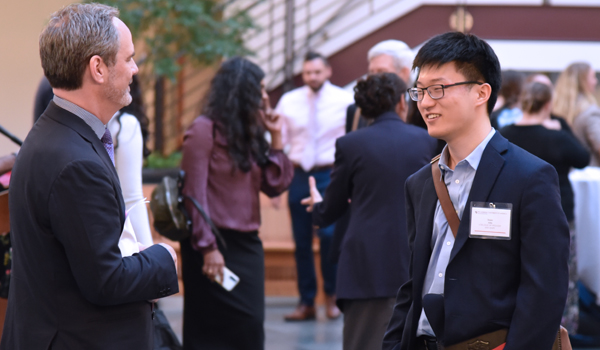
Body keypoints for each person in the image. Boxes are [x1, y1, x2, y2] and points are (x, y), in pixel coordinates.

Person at [2, 4, 179, 349]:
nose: (135, 69)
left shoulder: (56, 134)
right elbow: (106, 280)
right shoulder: (75, 161)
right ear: (98, 68)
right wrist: (162, 257)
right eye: (128, 58)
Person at [383, 32, 570, 350]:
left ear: (481, 92)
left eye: (438, 89)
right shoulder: (421, 182)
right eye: (420, 91)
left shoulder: (530, 177)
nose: (426, 102)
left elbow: (545, 290)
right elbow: (413, 283)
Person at [302, 73, 436, 350]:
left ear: (363, 108)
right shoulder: (426, 141)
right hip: (416, 256)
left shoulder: (350, 144)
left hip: (365, 259)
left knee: (362, 340)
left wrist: (317, 205)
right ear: (402, 102)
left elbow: (331, 208)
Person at [179, 57, 293, 349]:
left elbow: (275, 184)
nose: (265, 97)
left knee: (250, 327)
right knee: (207, 329)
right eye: (260, 89)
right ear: (242, 91)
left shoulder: (247, 133)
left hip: (246, 247)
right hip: (211, 244)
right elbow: (194, 195)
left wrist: (276, 136)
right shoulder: (204, 131)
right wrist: (208, 248)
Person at [500, 82, 589, 334]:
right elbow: (582, 158)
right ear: (548, 104)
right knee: (562, 277)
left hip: (513, 212)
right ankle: (563, 333)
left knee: (518, 272)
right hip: (557, 212)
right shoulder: (557, 136)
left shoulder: (505, 133)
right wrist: (561, 128)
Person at [276, 51, 353, 321]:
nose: (312, 77)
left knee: (330, 237)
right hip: (298, 174)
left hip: (329, 174)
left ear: (328, 72)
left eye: (317, 72)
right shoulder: (289, 100)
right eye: (308, 73)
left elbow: (352, 139)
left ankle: (332, 298)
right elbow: (279, 141)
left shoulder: (345, 100)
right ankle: (306, 302)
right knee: (301, 242)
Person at [108, 75, 153, 247]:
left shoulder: (97, 123)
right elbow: (132, 197)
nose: (134, 65)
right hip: (120, 236)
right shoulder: (125, 124)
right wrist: (150, 252)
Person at [345, 40, 414, 132]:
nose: (374, 78)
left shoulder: (422, 106)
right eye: (371, 72)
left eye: (381, 72)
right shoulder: (356, 111)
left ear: (404, 73)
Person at [553, 62, 600, 166]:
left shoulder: (555, 109)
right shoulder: (591, 112)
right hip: (589, 175)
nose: (595, 81)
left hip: (564, 172)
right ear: (583, 81)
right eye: (592, 77)